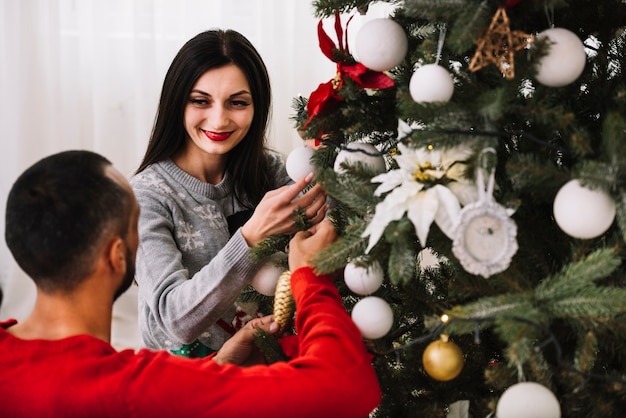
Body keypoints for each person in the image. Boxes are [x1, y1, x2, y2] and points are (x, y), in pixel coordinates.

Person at [0, 150, 380, 417]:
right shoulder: (132, 389)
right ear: (117, 256)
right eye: (137, 224)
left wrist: (218, 365)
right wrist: (310, 277)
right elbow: (346, 388)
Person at [131, 29, 328, 356]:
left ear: (256, 107)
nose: (219, 119)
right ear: (177, 102)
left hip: (263, 368)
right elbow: (175, 321)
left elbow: (335, 222)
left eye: (237, 103)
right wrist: (250, 237)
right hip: (180, 384)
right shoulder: (147, 196)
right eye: (200, 101)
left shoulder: (273, 172)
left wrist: (328, 154)